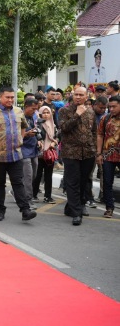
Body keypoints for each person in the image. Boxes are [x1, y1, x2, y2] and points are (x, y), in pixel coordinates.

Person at [0, 86, 37, 222]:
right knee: (0, 184)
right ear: (0, 97)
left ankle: (25, 210)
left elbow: (23, 126)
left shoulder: (18, 112)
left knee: (18, 182)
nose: (10, 100)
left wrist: (20, 139)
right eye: (7, 97)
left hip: (16, 154)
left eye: (12, 97)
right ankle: (0, 210)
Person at [59, 86, 96, 226]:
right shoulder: (64, 111)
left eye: (81, 95)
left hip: (87, 152)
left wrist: (93, 148)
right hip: (70, 152)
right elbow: (64, 128)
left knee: (83, 181)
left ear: (87, 96)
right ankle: (77, 213)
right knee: (72, 182)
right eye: (76, 94)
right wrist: (77, 114)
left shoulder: (91, 112)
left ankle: (71, 207)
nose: (78, 97)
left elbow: (94, 131)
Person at [96, 96, 120, 218]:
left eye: (114, 106)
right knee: (107, 182)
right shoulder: (105, 119)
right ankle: (109, 207)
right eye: (110, 107)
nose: (111, 109)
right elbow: (100, 135)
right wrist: (99, 153)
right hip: (108, 156)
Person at [32, 106, 59, 203]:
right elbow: (35, 136)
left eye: (48, 113)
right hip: (39, 153)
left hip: (49, 153)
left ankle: (48, 196)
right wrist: (38, 142)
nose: (46, 115)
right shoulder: (37, 125)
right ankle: (33, 195)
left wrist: (54, 143)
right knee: (37, 175)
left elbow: (57, 137)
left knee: (48, 175)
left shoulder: (53, 125)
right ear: (40, 114)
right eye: (44, 113)